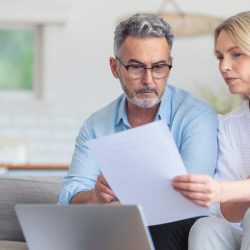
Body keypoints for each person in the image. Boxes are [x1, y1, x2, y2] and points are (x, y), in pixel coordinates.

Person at [58, 13, 218, 250]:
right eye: (135, 67)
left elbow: (190, 197)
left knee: (158, 225)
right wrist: (94, 197)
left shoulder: (197, 116)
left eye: (159, 67)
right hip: (116, 225)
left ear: (169, 64)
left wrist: (120, 203)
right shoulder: (96, 125)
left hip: (176, 226)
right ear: (115, 67)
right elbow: (70, 193)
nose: (149, 80)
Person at [172, 11, 250, 250]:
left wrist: (227, 189)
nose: (224, 66)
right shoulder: (228, 125)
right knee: (206, 227)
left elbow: (224, 192)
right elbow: (226, 212)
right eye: (219, 57)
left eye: (236, 54)